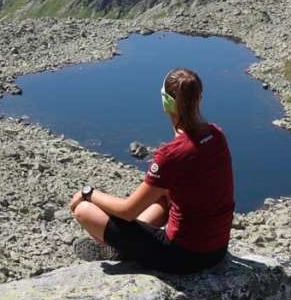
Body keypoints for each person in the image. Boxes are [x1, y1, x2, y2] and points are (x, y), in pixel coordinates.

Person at [69, 68, 234, 274]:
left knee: (83, 210)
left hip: (184, 257)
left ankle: (121, 248)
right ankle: (127, 244)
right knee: (163, 195)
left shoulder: (171, 154)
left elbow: (128, 211)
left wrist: (88, 194)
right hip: (218, 249)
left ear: (166, 103)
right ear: (199, 99)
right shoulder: (217, 134)